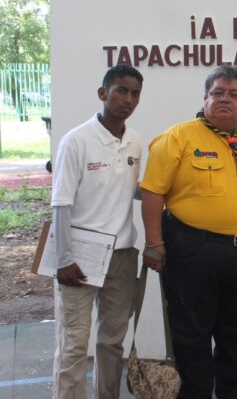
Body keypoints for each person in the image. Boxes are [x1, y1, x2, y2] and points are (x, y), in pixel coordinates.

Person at [141, 66, 237, 398]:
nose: (225, 99)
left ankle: (234, 393)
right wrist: (154, 243)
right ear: (205, 98)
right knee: (192, 335)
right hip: (193, 251)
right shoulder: (178, 137)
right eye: (218, 92)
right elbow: (153, 192)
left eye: (234, 94)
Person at [51, 65, 143, 399]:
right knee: (75, 345)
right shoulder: (76, 141)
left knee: (111, 343)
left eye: (134, 93)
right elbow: (60, 203)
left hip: (122, 256)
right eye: (120, 90)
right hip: (79, 257)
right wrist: (63, 259)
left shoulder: (135, 142)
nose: (127, 99)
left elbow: (130, 189)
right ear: (103, 93)